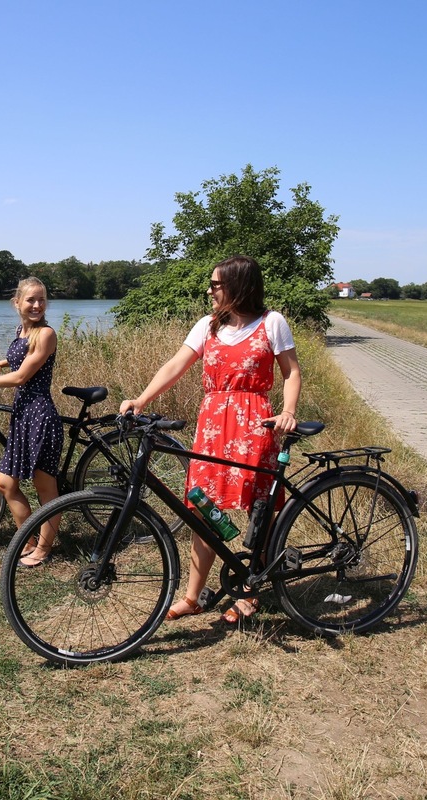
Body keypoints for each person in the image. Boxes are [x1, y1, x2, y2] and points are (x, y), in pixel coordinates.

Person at [119, 255, 301, 624]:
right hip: (213, 426)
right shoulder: (207, 326)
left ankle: (251, 590)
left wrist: (288, 411)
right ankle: (193, 596)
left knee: (258, 510)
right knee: (203, 509)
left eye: (216, 285)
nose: (209, 291)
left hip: (256, 425)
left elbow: (291, 372)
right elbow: (175, 365)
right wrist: (141, 399)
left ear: (238, 286)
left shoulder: (273, 323)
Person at [0, 277, 65, 567]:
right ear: (17, 303)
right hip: (22, 417)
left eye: (42, 299)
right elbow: (20, 360)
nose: (37, 305)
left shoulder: (46, 334)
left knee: (44, 487)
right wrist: (1, 362)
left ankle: (44, 549)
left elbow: (23, 377)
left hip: (40, 417)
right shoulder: (22, 331)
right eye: (30, 300)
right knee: (6, 484)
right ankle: (30, 539)